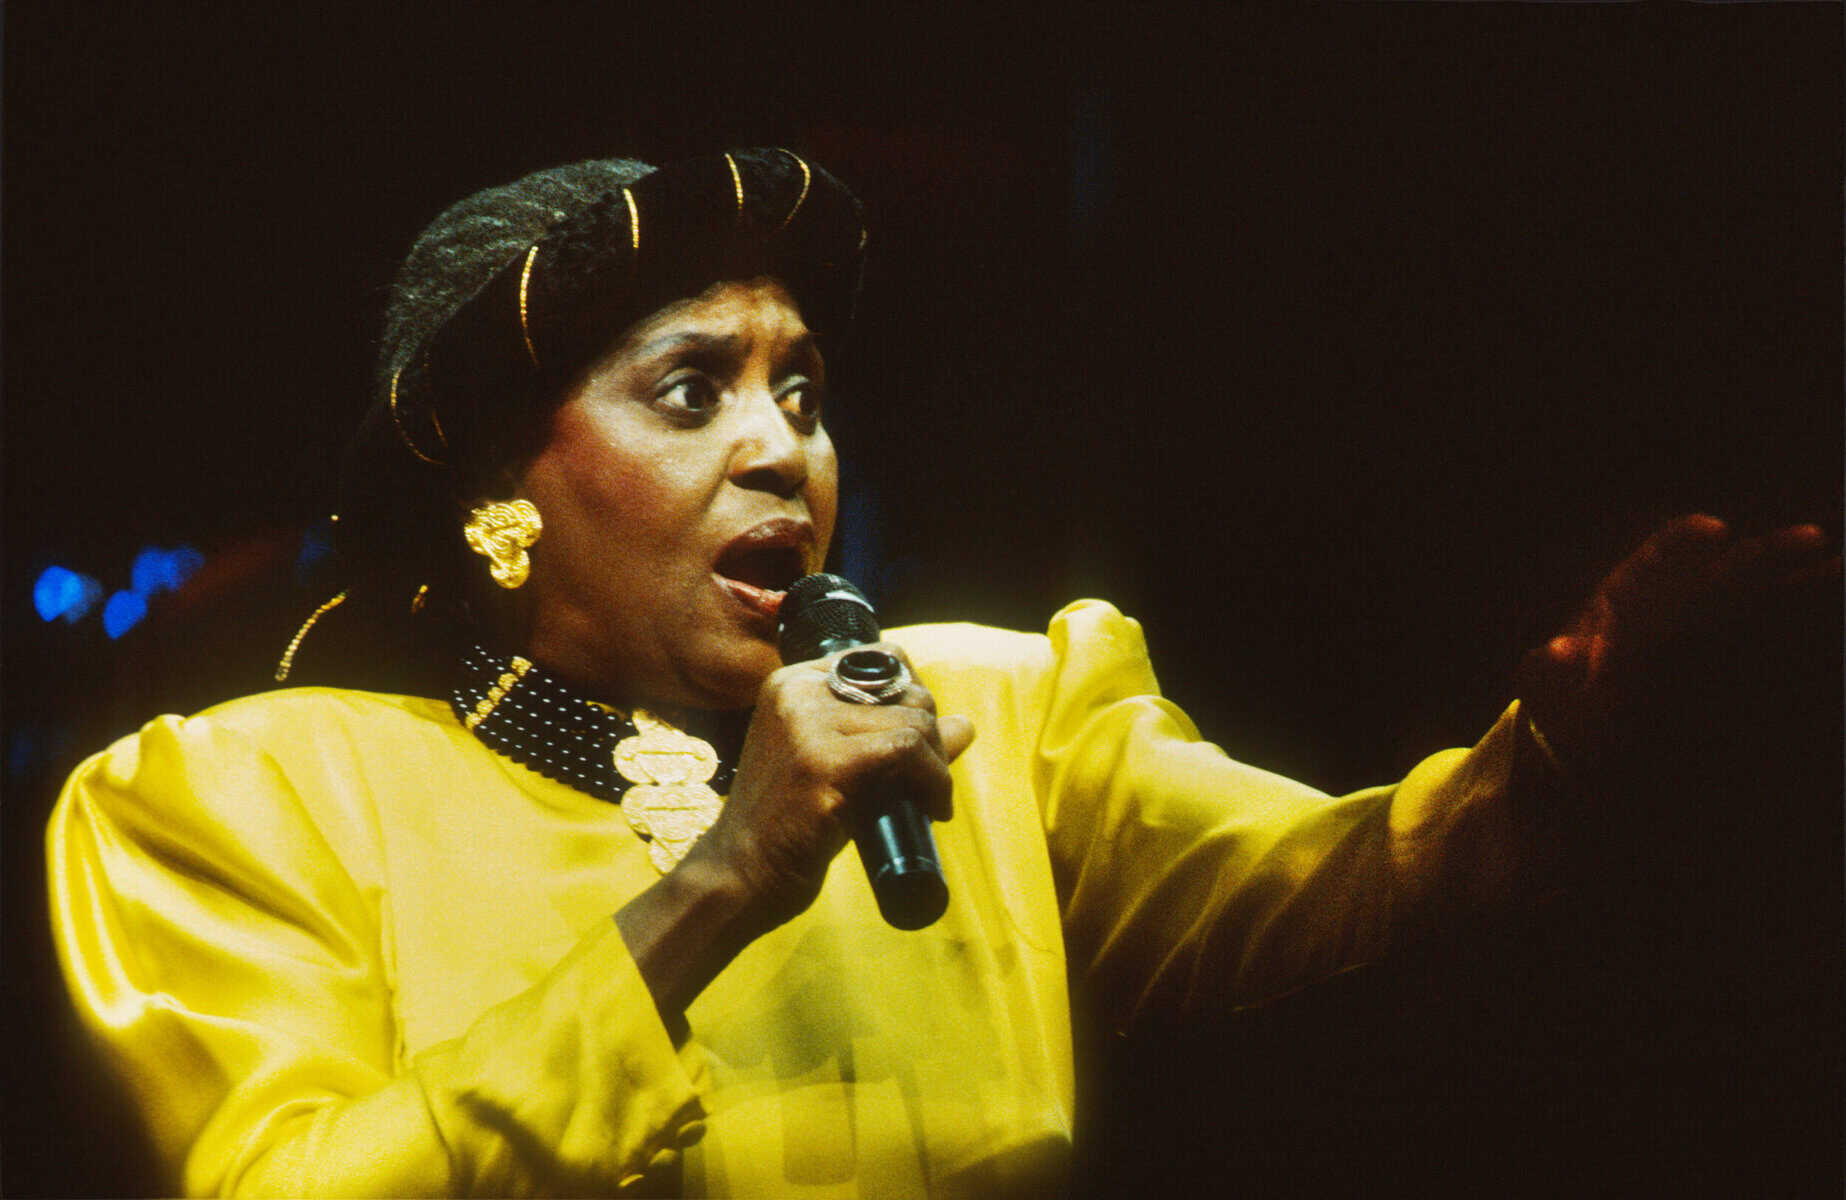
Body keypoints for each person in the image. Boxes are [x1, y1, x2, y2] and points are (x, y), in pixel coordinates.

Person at [45, 149, 1834, 1197]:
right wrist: (727, 880)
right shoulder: (243, 798)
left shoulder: (991, 715)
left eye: (801, 390)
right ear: (502, 496)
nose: (785, 454)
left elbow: (1346, 889)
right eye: (693, 391)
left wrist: (1572, 753)